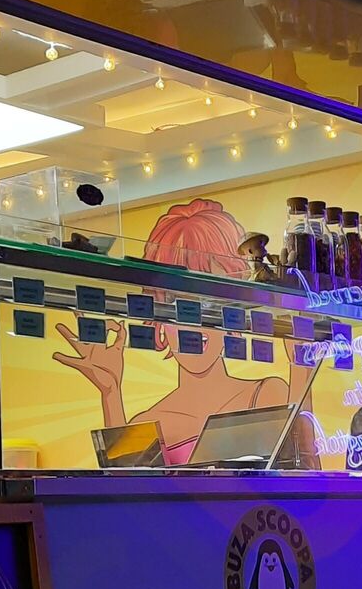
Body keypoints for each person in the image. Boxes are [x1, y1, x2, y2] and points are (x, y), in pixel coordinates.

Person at [53, 198, 290, 464]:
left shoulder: (265, 393)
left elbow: (304, 479)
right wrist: (111, 394)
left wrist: (301, 363)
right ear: (159, 316)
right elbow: (127, 488)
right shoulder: (148, 420)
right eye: (174, 301)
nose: (194, 324)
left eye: (209, 300)